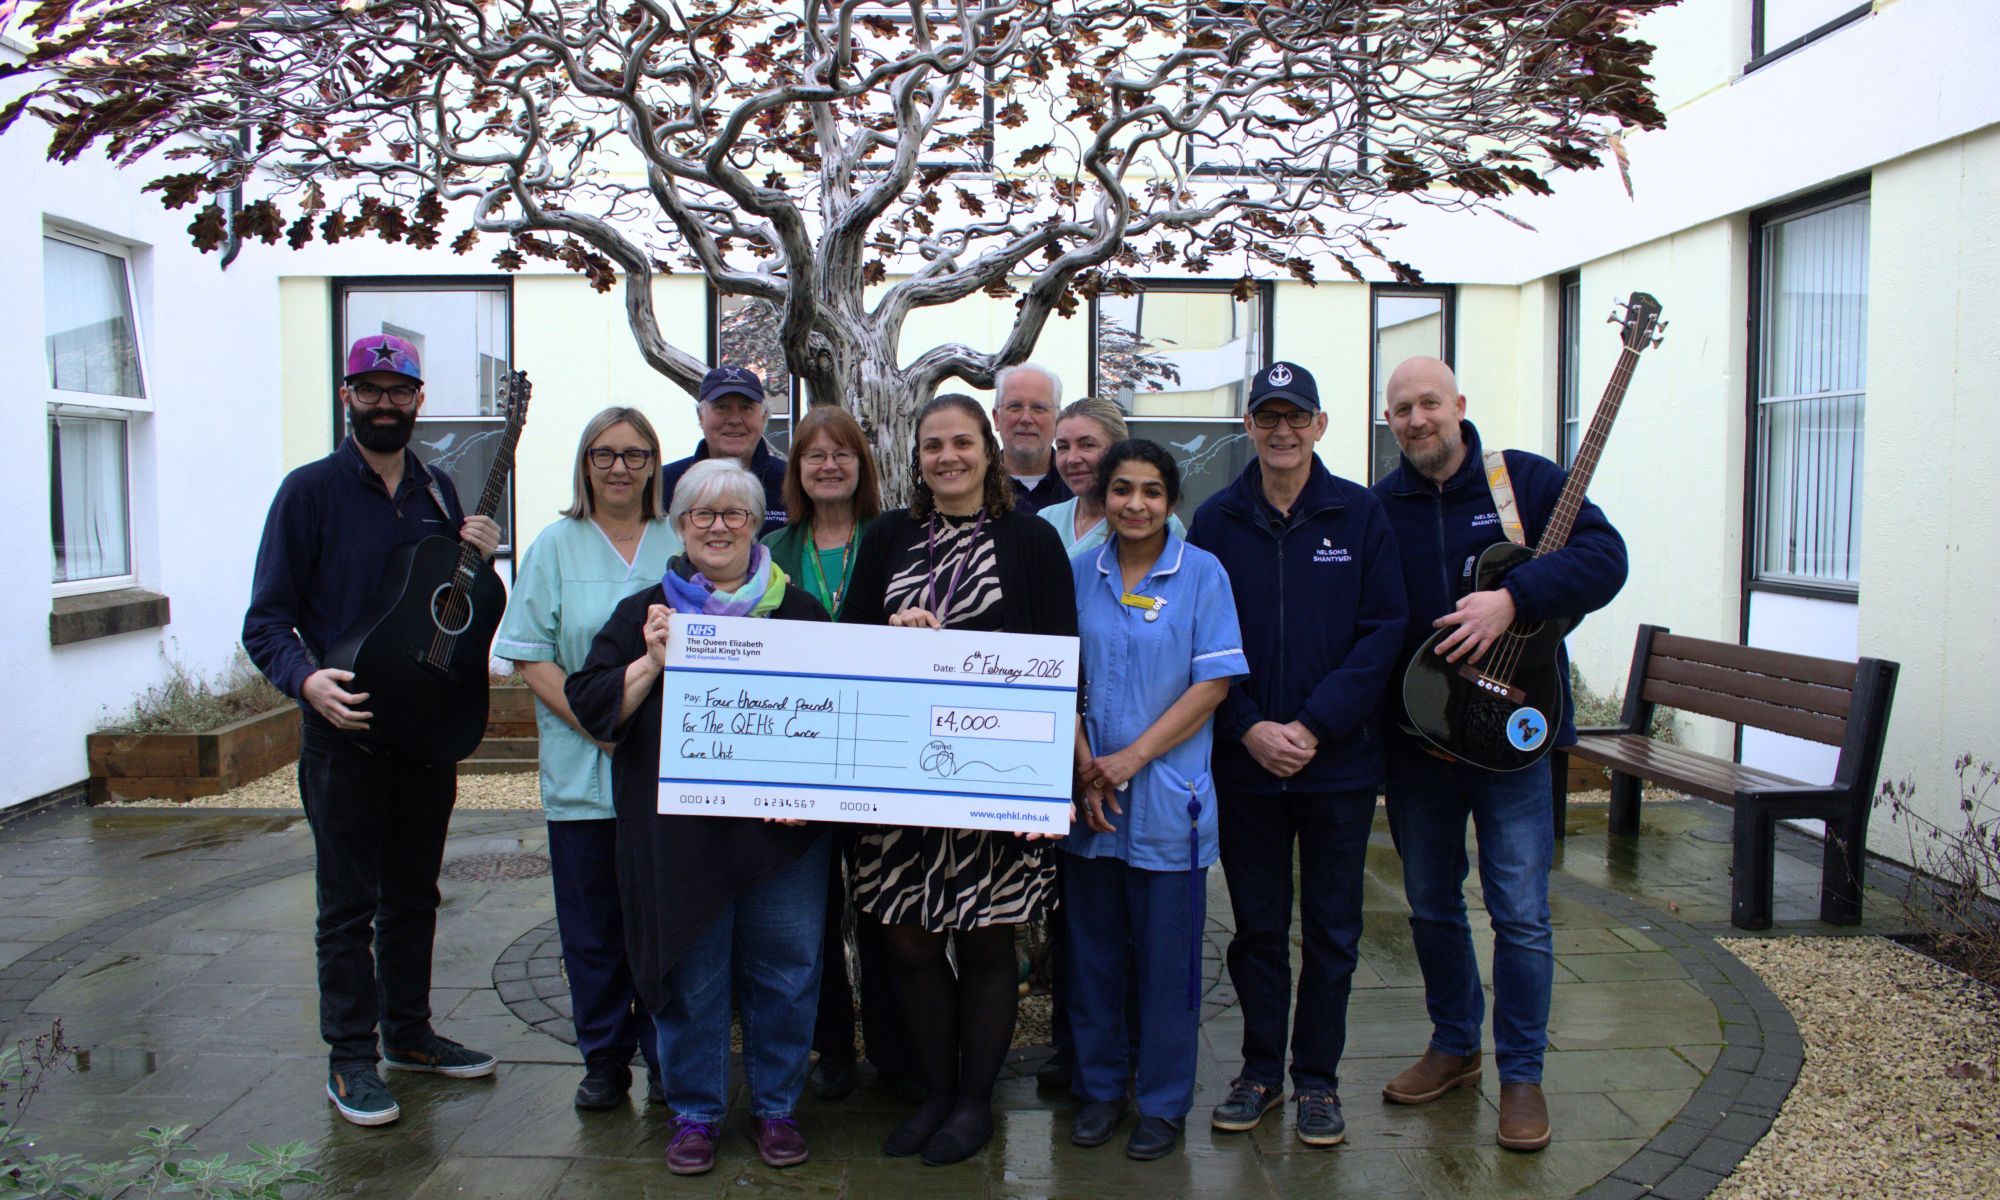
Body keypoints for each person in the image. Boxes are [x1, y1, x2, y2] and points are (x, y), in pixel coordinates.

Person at [242, 333, 500, 1127]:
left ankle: (410, 1035)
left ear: (420, 399)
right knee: (347, 907)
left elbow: (446, 607)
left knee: (415, 895)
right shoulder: (309, 492)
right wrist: (306, 681)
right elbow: (266, 623)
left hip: (423, 735)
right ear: (346, 394)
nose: (384, 401)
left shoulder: (440, 492)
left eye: (399, 389)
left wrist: (482, 562)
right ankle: (350, 1058)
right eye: (369, 388)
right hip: (343, 734)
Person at [1371, 356, 1627, 1153]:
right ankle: (1454, 1047)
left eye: (1429, 404)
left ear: (1459, 405)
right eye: (1402, 410)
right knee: (1432, 905)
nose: (1417, 420)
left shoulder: (1525, 483)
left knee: (1519, 914)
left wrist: (1515, 596)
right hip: (1421, 743)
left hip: (1518, 737)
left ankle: (1522, 1076)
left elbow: (1606, 559)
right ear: (1389, 422)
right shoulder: (1380, 507)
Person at [564, 459, 832, 1176]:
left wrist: (804, 795)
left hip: (782, 838)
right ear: (680, 527)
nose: (718, 527)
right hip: (679, 839)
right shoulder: (645, 613)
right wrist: (652, 662)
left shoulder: (799, 612)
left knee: (787, 973)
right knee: (692, 976)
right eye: (701, 515)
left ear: (756, 524)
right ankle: (695, 1113)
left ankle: (777, 1108)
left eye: (734, 514)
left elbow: (839, 722)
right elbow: (594, 708)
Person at [841, 393, 1078, 1165]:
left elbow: (1062, 661)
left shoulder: (1032, 541)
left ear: (989, 450)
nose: (948, 456)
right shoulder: (886, 536)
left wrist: (1055, 782)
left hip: (995, 779)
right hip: (898, 783)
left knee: (985, 942)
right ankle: (936, 1090)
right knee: (906, 943)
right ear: (916, 458)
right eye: (933, 445)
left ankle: (974, 1102)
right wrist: (889, 633)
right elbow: (846, 652)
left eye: (962, 443)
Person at [1185, 360, 1407, 1148]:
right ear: (1248, 426)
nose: (1282, 431)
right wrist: (1247, 726)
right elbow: (1199, 641)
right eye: (1267, 416)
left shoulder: (1360, 515)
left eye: (1296, 416)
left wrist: (1313, 727)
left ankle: (1317, 1081)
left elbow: (1384, 632)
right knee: (1255, 930)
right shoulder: (1214, 522)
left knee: (1335, 932)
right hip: (1246, 766)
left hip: (1337, 765)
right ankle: (1258, 1073)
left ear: (1320, 425)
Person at [1066, 440, 1247, 1161]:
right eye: (1120, 490)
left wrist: (1131, 759)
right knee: (1093, 958)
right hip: (1092, 800)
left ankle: (1163, 1103)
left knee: (1170, 967)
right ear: (1103, 497)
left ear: (1171, 501)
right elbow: (1057, 676)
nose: (1134, 504)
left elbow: (1213, 684)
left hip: (1169, 799)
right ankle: (1099, 1090)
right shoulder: (1079, 571)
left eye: (1150, 491)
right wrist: (1086, 769)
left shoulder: (1202, 575)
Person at [494, 407, 680, 1111]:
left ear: (655, 464)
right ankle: (604, 1059)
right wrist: (596, 723)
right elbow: (529, 653)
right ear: (585, 463)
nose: (620, 468)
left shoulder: (677, 539)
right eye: (605, 454)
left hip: (664, 772)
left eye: (636, 454)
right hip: (583, 766)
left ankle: (668, 1059)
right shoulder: (555, 545)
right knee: (592, 927)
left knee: (660, 928)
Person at [757, 406, 911, 1103]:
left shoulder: (895, 541)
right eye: (813, 455)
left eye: (841, 454)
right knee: (811, 913)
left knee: (882, 909)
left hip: (880, 756)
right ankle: (833, 1050)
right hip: (801, 757)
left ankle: (891, 1046)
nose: (827, 465)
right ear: (796, 470)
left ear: (861, 465)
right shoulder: (772, 551)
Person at [1038, 397, 1185, 555]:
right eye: (1063, 447)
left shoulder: (1154, 521)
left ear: (1118, 450)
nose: (1072, 459)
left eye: (1087, 445)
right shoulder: (1047, 519)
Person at [657, 364, 788, 535]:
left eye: (746, 408)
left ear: (764, 417)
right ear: (700, 416)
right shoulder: (664, 484)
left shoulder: (790, 482)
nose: (734, 419)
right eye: (722, 407)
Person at [992, 362, 1071, 515]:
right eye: (1015, 406)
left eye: (1039, 408)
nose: (1026, 418)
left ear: (1057, 418)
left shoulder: (1080, 489)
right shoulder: (975, 488)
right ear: (996, 419)